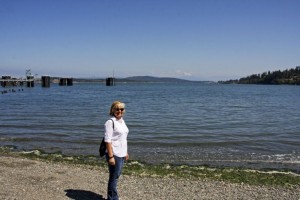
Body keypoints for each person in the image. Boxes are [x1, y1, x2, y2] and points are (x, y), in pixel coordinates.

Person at [104, 101, 129, 200]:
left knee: (116, 175)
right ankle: (112, 198)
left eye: (122, 109)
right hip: (114, 154)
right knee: (114, 177)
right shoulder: (110, 122)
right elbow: (107, 140)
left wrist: (126, 152)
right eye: (117, 109)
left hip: (122, 153)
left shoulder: (122, 121)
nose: (119, 111)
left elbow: (123, 138)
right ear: (112, 110)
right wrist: (110, 157)